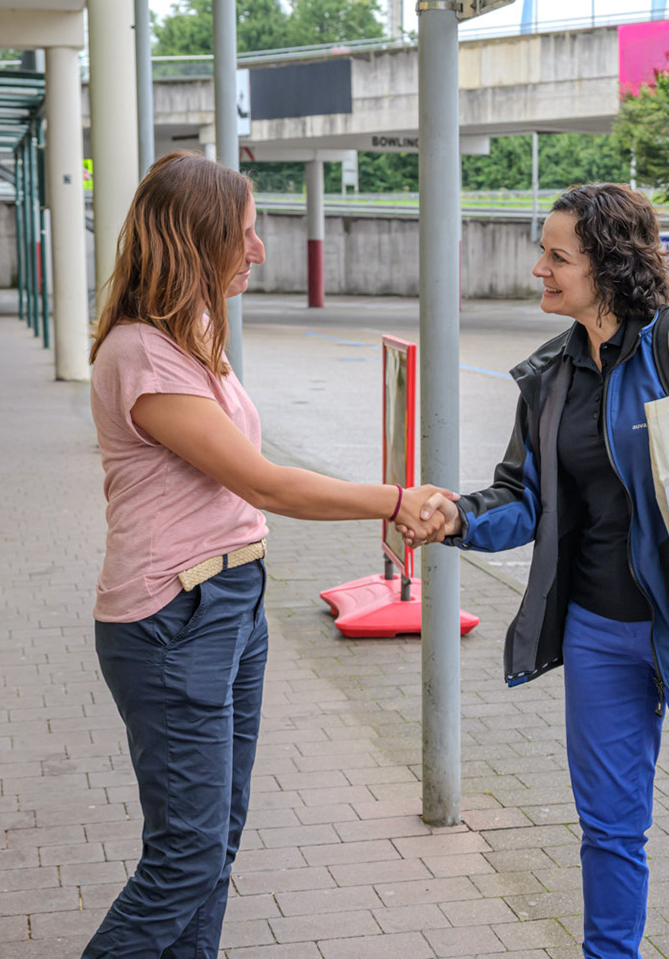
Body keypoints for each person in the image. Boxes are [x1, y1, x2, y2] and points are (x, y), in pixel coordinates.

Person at [406, 183, 669, 959]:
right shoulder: (550, 378)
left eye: (557, 256)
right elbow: (522, 497)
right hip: (598, 633)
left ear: (609, 266)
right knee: (607, 828)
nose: (539, 269)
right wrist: (457, 516)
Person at [83, 150, 451, 959]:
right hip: (173, 618)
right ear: (199, 239)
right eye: (245, 234)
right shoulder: (144, 353)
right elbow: (261, 481)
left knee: (214, 846)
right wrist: (394, 499)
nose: (257, 250)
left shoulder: (192, 336)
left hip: (227, 607)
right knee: (184, 859)